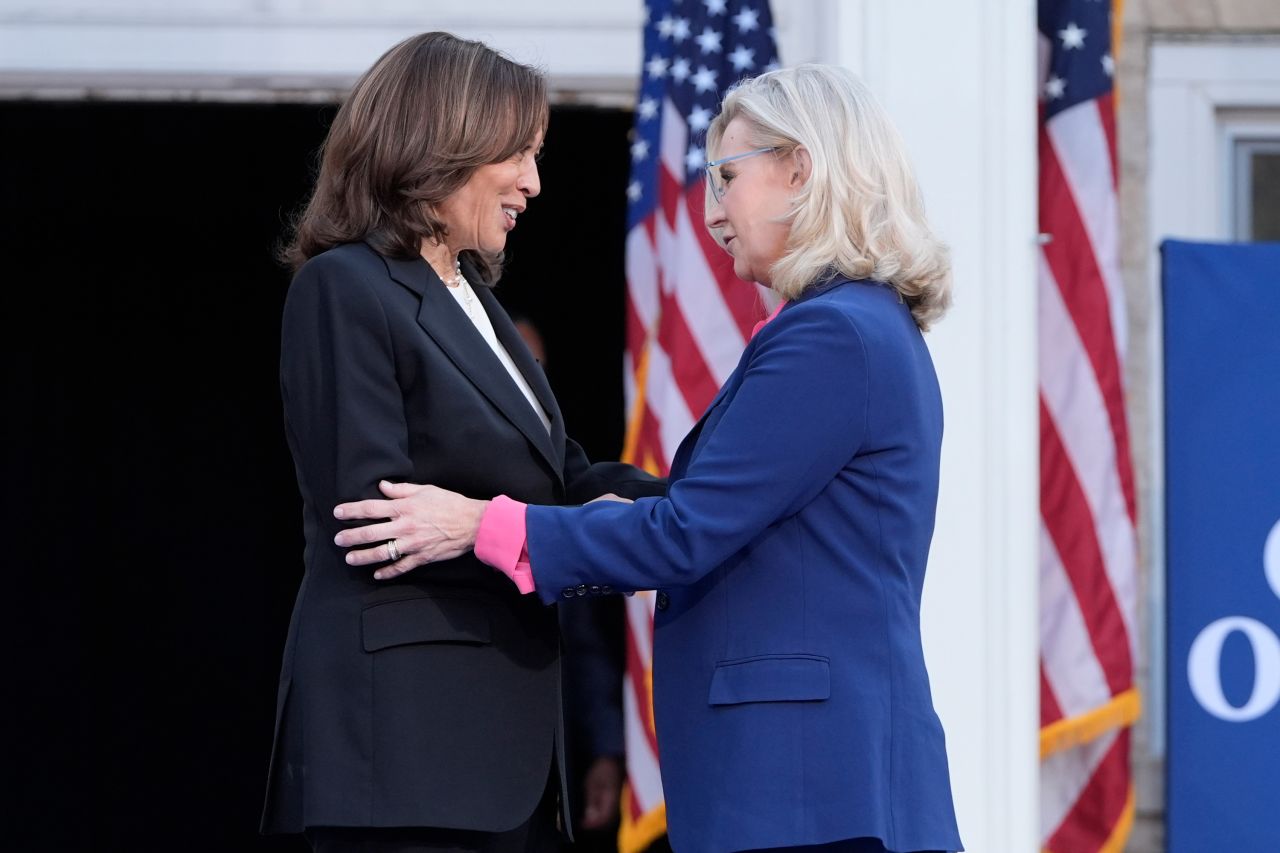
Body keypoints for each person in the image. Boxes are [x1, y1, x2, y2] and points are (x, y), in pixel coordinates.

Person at [334, 64, 964, 853]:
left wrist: (482, 526)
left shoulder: (832, 335)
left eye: (726, 176)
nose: (711, 211)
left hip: (811, 789)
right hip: (820, 784)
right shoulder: (862, 326)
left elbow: (687, 534)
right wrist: (632, 510)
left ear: (799, 169)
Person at [261, 31, 663, 853]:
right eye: (518, 154)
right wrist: (532, 534)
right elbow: (377, 519)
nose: (534, 182)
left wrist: (708, 499)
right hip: (405, 754)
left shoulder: (472, 295)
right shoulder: (344, 286)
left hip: (497, 754)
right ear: (445, 144)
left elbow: (565, 475)